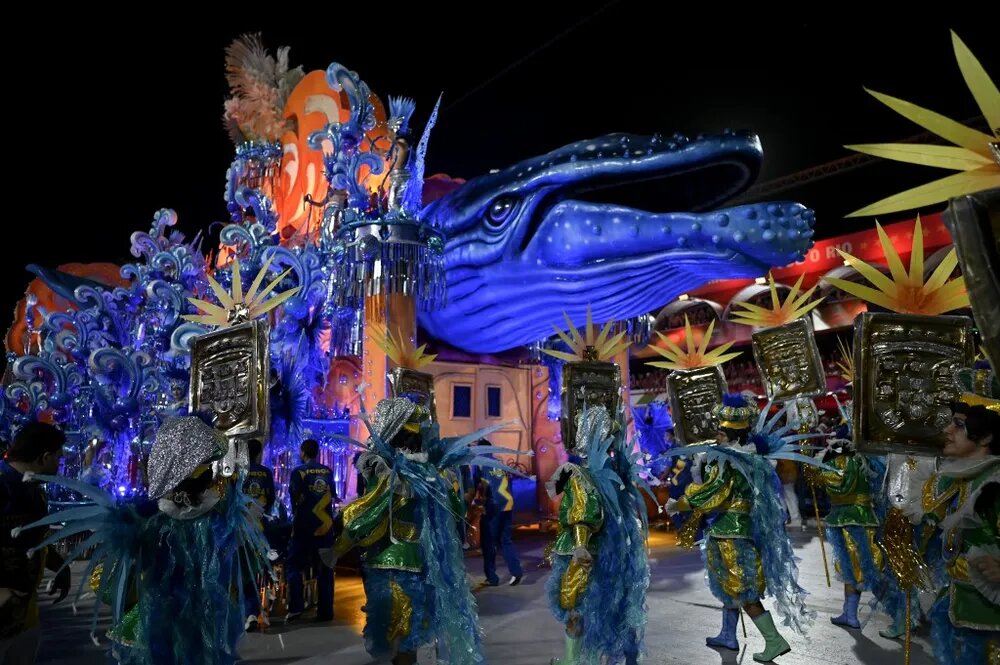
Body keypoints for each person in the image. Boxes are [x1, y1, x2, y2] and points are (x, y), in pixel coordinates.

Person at [665, 394, 817, 663]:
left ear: (729, 434)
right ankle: (727, 634)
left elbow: (713, 494)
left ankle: (774, 640)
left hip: (730, 533)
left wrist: (679, 503)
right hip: (735, 529)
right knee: (729, 585)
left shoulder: (728, 460)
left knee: (744, 591)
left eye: (720, 431)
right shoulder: (749, 457)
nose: (717, 435)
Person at [915, 386, 1000, 665]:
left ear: (986, 435)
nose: (948, 430)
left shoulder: (994, 483)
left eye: (959, 425)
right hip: (958, 602)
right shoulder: (958, 479)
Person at [0, 423, 70, 665]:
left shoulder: (34, 489)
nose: (59, 465)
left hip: (24, 615)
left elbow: (32, 539)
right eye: (58, 459)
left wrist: (59, 564)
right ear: (44, 457)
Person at [286, 439, 335, 623]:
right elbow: (332, 496)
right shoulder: (328, 471)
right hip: (326, 528)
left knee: (294, 566)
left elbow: (294, 498)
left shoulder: (299, 472)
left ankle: (296, 608)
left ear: (303, 452)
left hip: (304, 528)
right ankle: (326, 612)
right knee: (325, 569)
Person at [474, 440, 523, 587]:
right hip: (508, 504)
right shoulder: (500, 463)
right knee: (506, 540)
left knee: (488, 543)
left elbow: (478, 487)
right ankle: (516, 572)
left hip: (493, 507)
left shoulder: (479, 464)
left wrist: (477, 504)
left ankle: (492, 578)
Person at [242, 439, 275, 632]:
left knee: (242, 568)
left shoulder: (239, 472)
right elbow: (270, 498)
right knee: (255, 569)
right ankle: (253, 611)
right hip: (259, 529)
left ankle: (246, 612)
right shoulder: (266, 473)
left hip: (240, 528)